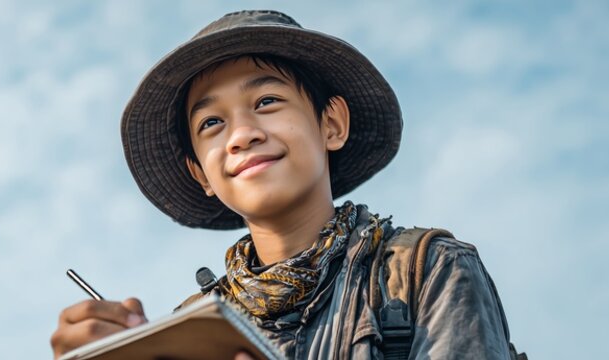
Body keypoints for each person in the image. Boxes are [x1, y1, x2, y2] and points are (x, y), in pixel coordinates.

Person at [51, 10, 523, 359]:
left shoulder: (427, 270)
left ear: (331, 124)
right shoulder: (192, 328)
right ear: (201, 174)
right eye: (212, 123)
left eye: (267, 101)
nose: (242, 135)